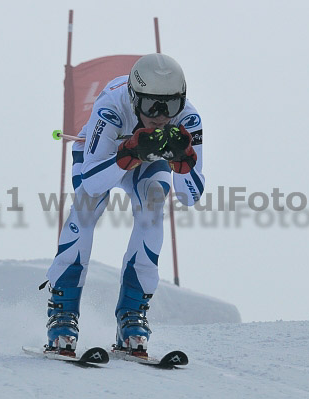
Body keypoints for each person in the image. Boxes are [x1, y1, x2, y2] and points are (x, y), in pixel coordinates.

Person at [44, 53, 205, 356]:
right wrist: (127, 154)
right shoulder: (111, 107)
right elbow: (91, 181)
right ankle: (62, 310)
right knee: (87, 206)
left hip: (144, 161)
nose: (161, 116)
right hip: (104, 157)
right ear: (134, 97)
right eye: (151, 106)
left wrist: (184, 163)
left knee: (154, 205)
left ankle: (132, 314)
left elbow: (189, 196)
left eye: (170, 105)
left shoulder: (188, 119)